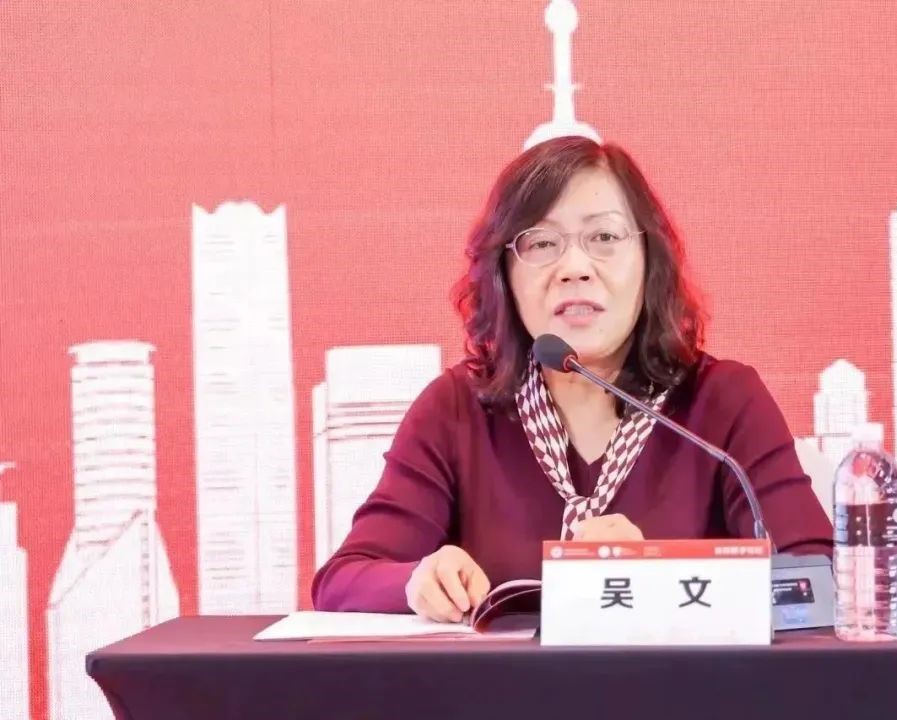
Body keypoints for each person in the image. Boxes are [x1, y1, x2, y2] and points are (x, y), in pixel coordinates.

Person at [312, 136, 833, 621]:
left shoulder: (722, 402)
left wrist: (659, 575)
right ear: (504, 275)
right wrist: (414, 582)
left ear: (648, 261)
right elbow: (343, 581)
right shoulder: (456, 409)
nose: (574, 267)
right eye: (541, 244)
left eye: (604, 237)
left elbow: (816, 579)